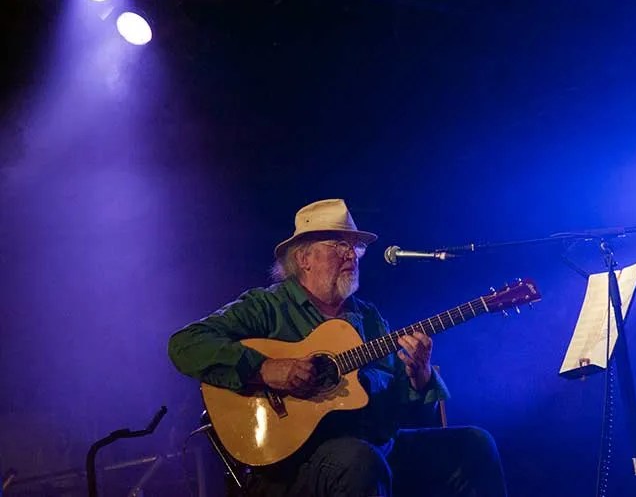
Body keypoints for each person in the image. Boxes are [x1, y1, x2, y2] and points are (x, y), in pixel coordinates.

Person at [168, 198, 508, 496]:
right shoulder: (267, 306)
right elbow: (185, 344)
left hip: (374, 447)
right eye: (338, 245)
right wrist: (264, 368)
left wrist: (418, 375)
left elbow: (403, 412)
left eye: (355, 247)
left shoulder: (368, 317)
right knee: (359, 461)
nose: (352, 255)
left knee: (474, 444)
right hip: (293, 467)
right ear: (304, 258)